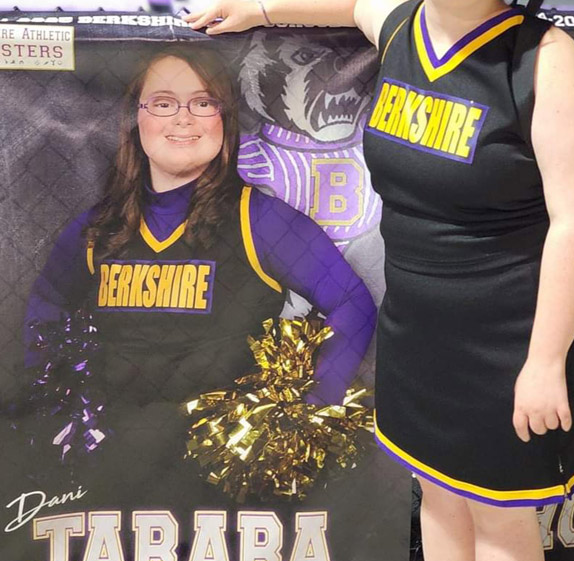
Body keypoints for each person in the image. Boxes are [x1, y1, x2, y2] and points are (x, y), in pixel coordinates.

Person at [184, 0, 574, 561]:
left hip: (512, 336)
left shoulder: (546, 61)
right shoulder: (401, 25)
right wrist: (258, 9)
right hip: (419, 333)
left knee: (503, 527)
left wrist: (544, 360)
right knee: (443, 510)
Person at [23, 46, 376, 507]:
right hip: (114, 467)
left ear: (223, 120)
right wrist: (59, 405)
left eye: (203, 102)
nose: (183, 118)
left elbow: (354, 303)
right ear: (138, 118)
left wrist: (309, 408)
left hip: (223, 476)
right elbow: (45, 305)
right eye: (164, 102)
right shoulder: (97, 229)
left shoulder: (259, 219)